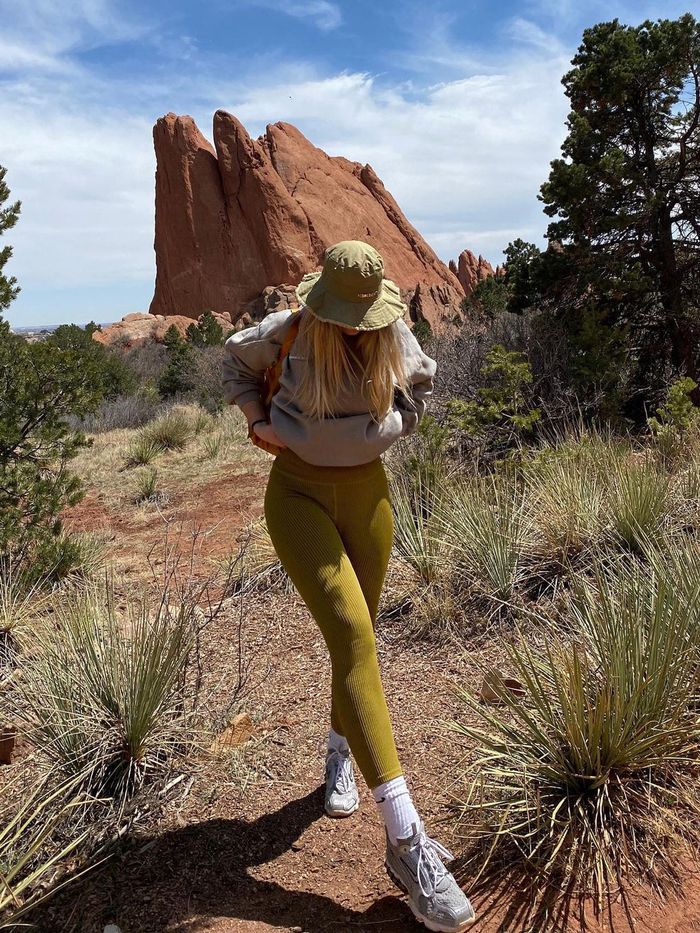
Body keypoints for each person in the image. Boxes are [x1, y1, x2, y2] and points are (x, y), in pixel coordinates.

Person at [222, 240, 476, 932]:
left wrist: (399, 422)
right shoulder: (292, 331)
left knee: (354, 643)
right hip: (298, 495)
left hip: (370, 500)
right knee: (356, 635)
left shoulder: (390, 330)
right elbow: (234, 361)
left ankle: (339, 753)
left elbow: (421, 382)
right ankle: (407, 841)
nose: (361, 325)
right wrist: (255, 421)